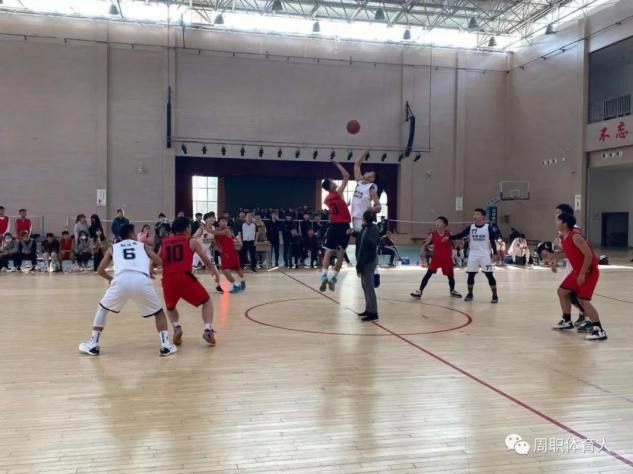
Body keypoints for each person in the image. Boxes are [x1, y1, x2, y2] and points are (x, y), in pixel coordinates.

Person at [78, 223, 176, 357]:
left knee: (102, 309)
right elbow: (159, 261)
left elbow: (100, 270)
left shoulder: (113, 248)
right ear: (131, 234)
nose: (136, 235)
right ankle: (166, 346)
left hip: (121, 280)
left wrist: (111, 279)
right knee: (159, 313)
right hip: (141, 280)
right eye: (134, 233)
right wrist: (149, 266)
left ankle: (93, 344)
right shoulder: (142, 246)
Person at [159, 217, 218, 347]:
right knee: (207, 301)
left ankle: (177, 327)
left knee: (170, 307)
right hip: (184, 277)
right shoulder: (191, 241)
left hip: (168, 279)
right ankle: (208, 330)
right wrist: (214, 271)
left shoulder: (165, 242)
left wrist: (149, 267)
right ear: (187, 228)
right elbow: (205, 259)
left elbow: (156, 260)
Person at [549, 213, 606, 340]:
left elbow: (589, 255)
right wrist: (554, 258)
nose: (555, 223)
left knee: (582, 300)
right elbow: (569, 253)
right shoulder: (563, 237)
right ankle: (567, 321)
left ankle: (599, 331)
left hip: (589, 272)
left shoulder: (576, 236)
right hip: (577, 271)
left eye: (558, 220)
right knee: (562, 292)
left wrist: (582, 274)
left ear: (565, 224)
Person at [540, 203, 588, 331]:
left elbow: (575, 251)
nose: (555, 215)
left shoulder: (574, 230)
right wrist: (554, 261)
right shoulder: (562, 230)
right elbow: (562, 249)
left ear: (566, 215)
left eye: (558, 212)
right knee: (567, 293)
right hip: (570, 265)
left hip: (577, 266)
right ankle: (572, 319)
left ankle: (586, 318)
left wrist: (553, 257)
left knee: (571, 294)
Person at [450, 208, 499, 303]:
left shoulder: (488, 227)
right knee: (471, 275)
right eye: (474, 214)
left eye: (477, 214)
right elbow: (460, 235)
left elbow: (492, 241)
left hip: (485, 255)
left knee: (489, 275)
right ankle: (470, 294)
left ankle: (495, 295)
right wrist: (449, 237)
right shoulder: (471, 227)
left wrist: (495, 253)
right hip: (473, 255)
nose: (474, 216)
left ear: (483, 217)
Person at [410, 217, 462, 299]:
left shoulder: (449, 233)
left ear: (444, 224)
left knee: (450, 276)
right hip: (436, 259)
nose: (437, 223)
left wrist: (454, 247)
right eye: (436, 222)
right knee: (428, 275)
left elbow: (456, 243)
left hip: (447, 259)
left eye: (440, 222)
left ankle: (452, 291)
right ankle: (419, 291)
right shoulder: (432, 235)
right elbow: (425, 245)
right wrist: (422, 252)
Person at [320, 161, 352, 291]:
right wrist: (337, 164)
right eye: (332, 181)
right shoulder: (338, 193)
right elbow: (346, 176)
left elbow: (337, 208)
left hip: (333, 227)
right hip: (343, 227)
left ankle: (323, 276)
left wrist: (345, 205)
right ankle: (334, 279)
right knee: (340, 254)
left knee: (328, 252)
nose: (334, 182)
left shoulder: (326, 199)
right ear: (331, 186)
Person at [210, 217, 246, 293]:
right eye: (222, 221)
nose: (224, 223)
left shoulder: (226, 230)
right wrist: (217, 247)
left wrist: (205, 229)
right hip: (225, 253)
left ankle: (237, 285)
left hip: (231, 252)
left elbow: (216, 233)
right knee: (232, 269)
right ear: (219, 222)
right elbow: (215, 241)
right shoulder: (217, 231)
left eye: (225, 222)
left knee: (233, 269)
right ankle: (241, 283)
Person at [356, 210, 380, 322]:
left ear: (365, 219)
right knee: (365, 286)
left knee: (369, 287)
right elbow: (361, 239)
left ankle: (373, 313)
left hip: (367, 262)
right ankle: (368, 309)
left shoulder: (371, 230)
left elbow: (367, 248)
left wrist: (361, 265)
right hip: (367, 261)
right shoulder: (369, 228)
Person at [352, 152, 382, 234]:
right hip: (355, 216)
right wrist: (364, 152)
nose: (368, 174)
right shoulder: (359, 182)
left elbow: (379, 207)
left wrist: (373, 209)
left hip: (363, 218)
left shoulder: (371, 188)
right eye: (368, 172)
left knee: (361, 238)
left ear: (373, 179)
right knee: (357, 237)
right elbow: (357, 165)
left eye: (371, 175)